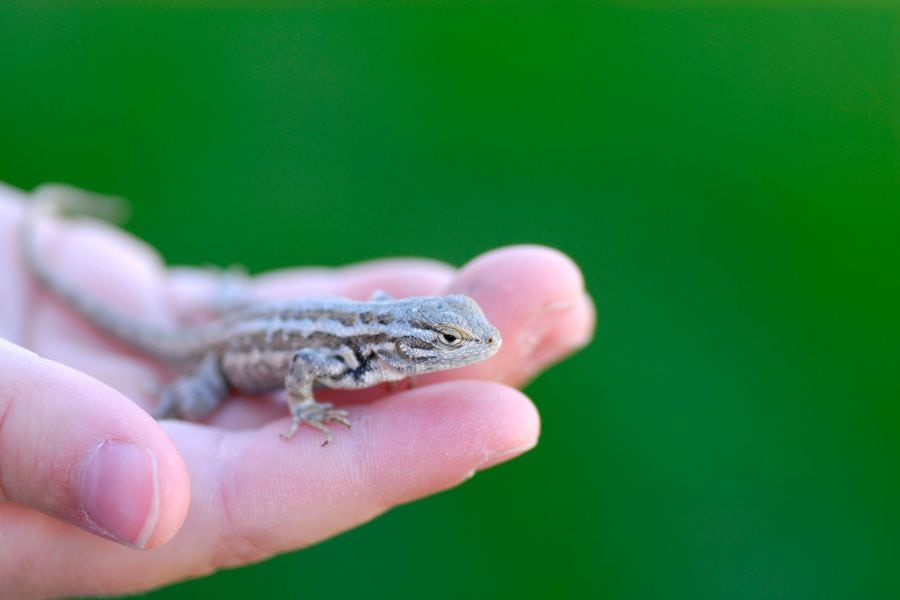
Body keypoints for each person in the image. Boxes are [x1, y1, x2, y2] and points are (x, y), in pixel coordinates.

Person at [0, 182, 595, 597]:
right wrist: (304, 408)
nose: (478, 343)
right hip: (226, 354)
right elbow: (304, 363)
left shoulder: (381, 336)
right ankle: (169, 397)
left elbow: (384, 309)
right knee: (198, 402)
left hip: (250, 322)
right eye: (448, 338)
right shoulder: (353, 356)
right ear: (409, 343)